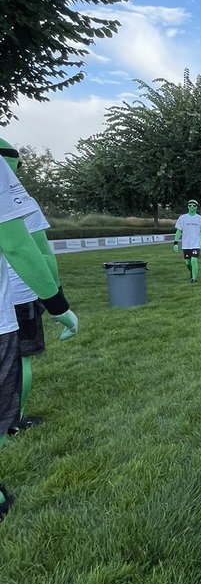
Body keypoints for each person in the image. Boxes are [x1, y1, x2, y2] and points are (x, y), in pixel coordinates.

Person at [0, 144, 78, 465]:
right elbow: (36, 251)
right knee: (22, 360)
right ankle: (14, 421)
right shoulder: (18, 198)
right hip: (19, 296)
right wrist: (57, 302)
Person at [173, 200, 201, 283]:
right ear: (188, 207)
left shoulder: (200, 219)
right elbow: (178, 231)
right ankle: (192, 272)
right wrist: (175, 243)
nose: (192, 207)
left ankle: (194, 279)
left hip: (196, 244)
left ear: (196, 207)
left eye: (194, 205)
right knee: (188, 263)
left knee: (193, 260)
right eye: (190, 205)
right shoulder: (182, 218)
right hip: (186, 244)